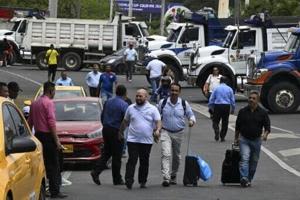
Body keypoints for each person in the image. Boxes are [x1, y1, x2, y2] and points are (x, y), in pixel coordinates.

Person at [27, 82, 67, 199]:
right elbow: (51, 123)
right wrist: (57, 141)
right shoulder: (48, 103)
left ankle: (44, 188)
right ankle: (55, 191)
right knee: (54, 164)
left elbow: (30, 121)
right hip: (48, 136)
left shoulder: (35, 103)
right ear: (50, 91)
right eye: (54, 91)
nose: (54, 94)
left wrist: (30, 137)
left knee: (43, 164)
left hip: (38, 136)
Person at [119, 88, 161, 189]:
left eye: (140, 96)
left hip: (146, 141)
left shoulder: (152, 109)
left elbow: (158, 121)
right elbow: (125, 121)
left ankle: (142, 181)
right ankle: (129, 180)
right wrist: (120, 132)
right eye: (137, 96)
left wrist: (158, 130)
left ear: (146, 97)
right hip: (132, 140)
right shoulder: (131, 108)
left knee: (144, 161)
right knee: (132, 160)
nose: (138, 98)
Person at [158, 83, 196, 187]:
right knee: (166, 154)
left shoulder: (184, 103)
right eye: (172, 90)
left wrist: (192, 121)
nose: (174, 92)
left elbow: (191, 115)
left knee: (177, 156)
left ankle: (173, 174)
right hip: (165, 131)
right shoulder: (163, 102)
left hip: (179, 132)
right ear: (169, 91)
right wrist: (156, 129)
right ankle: (166, 177)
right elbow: (157, 117)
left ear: (179, 92)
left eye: (176, 91)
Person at [90, 85, 128, 186]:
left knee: (107, 152)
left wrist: (105, 125)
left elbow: (102, 116)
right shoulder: (124, 104)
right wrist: (122, 132)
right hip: (116, 130)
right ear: (125, 94)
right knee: (117, 155)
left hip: (106, 129)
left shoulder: (108, 102)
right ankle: (117, 179)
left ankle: (96, 171)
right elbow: (126, 119)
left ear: (116, 92)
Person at [234, 91, 270, 187]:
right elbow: (237, 126)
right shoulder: (242, 111)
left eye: (253, 98)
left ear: (257, 100)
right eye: (250, 98)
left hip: (256, 140)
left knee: (254, 161)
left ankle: (249, 179)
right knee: (244, 158)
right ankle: (244, 178)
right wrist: (236, 138)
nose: (251, 100)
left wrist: (265, 135)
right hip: (244, 139)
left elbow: (267, 127)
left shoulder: (263, 112)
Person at [208, 76, 235, 142]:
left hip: (218, 106)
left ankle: (217, 130)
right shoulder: (229, 89)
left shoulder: (216, 88)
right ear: (226, 82)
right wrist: (233, 108)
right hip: (226, 106)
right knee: (225, 122)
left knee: (215, 121)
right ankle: (222, 137)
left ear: (220, 81)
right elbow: (232, 100)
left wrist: (211, 107)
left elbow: (211, 99)